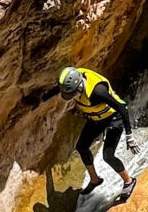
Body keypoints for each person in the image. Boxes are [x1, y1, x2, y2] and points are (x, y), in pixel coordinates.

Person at [57, 66, 137, 197]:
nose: (71, 97)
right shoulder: (72, 81)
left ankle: (129, 181)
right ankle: (95, 179)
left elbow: (122, 107)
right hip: (96, 118)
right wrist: (44, 97)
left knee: (108, 156)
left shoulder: (97, 92)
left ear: (78, 86)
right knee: (81, 147)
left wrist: (129, 136)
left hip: (113, 118)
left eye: (72, 94)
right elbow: (61, 88)